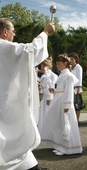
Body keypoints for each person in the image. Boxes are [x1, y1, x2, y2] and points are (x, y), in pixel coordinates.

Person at [0, 18, 55, 169]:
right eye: (13, 32)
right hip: (6, 114)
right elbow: (30, 51)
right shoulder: (3, 46)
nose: (14, 36)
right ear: (5, 32)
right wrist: (45, 32)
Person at [40, 54, 83, 156]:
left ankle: (67, 147)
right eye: (57, 64)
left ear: (65, 63)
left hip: (64, 103)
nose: (57, 66)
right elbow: (61, 90)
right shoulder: (62, 75)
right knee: (59, 124)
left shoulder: (69, 76)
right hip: (58, 101)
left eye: (59, 64)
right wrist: (54, 90)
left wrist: (67, 106)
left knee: (65, 124)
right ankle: (60, 145)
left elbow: (68, 92)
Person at [38, 58, 58, 133]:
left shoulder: (51, 75)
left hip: (48, 97)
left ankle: (48, 129)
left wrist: (49, 97)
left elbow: (51, 85)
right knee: (42, 113)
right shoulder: (44, 75)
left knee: (47, 112)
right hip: (43, 96)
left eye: (43, 65)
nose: (42, 67)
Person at [68, 52, 83, 124]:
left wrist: (79, 88)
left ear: (75, 59)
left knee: (77, 104)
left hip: (76, 87)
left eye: (72, 59)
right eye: (69, 59)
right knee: (72, 104)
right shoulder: (70, 67)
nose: (70, 60)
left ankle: (77, 120)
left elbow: (79, 78)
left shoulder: (78, 67)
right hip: (71, 87)